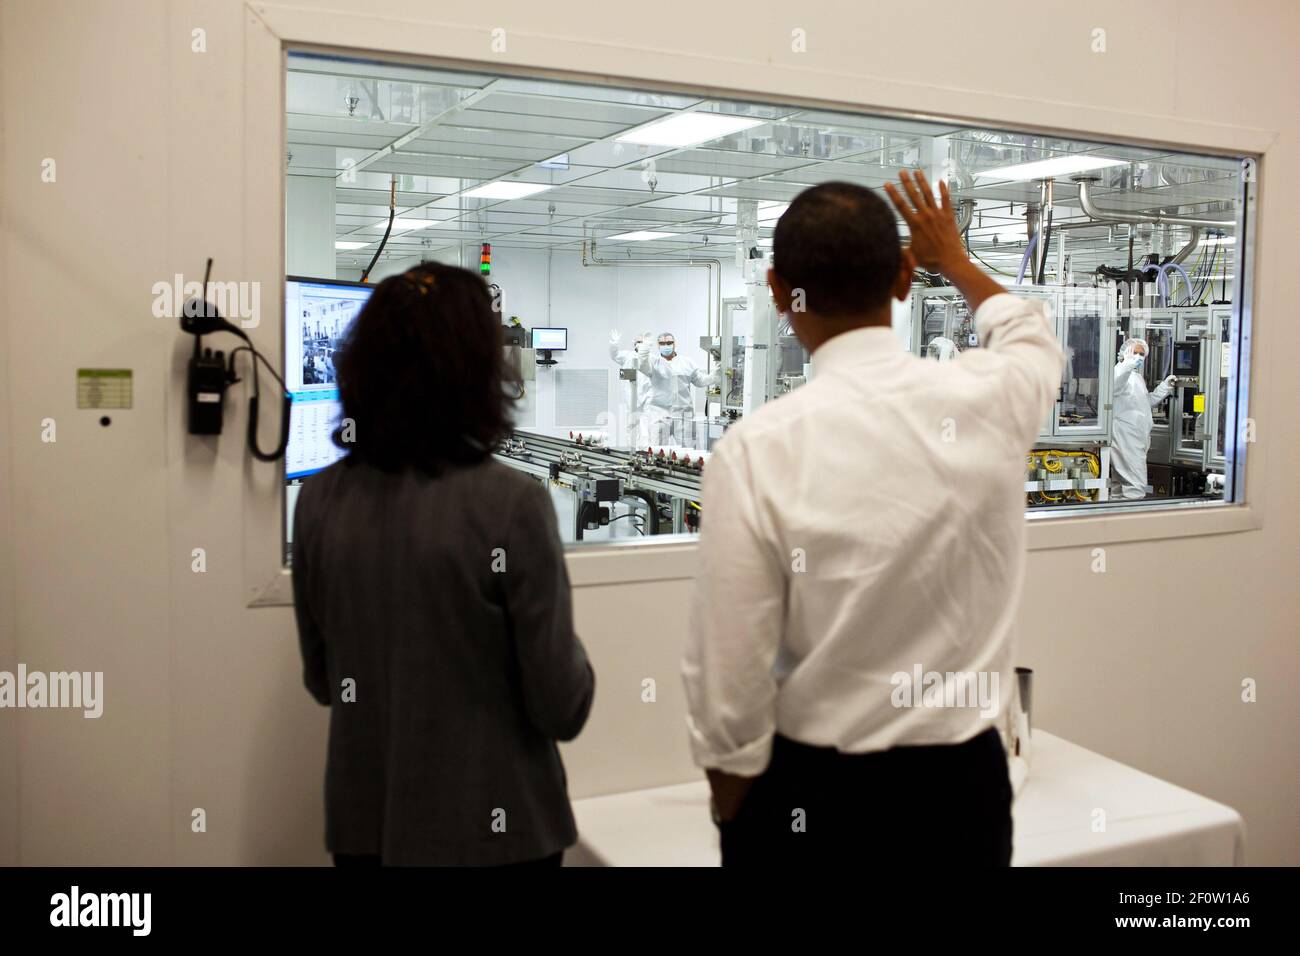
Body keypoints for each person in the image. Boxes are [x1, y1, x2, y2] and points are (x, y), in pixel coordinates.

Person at [682, 172, 1064, 867]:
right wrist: (955, 258)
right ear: (904, 278)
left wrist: (734, 806)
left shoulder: (757, 449)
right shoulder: (993, 398)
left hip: (815, 795)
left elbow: (727, 671)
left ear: (777, 291)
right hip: (962, 795)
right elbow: (1028, 331)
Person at [292, 262, 595, 867]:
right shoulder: (511, 505)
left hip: (365, 829)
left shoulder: (320, 499)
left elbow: (324, 681)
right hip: (496, 837)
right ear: (477, 371)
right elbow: (562, 705)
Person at [1111, 337, 1176, 500]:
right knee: (1135, 485)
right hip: (1126, 435)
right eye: (1135, 352)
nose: (1139, 357)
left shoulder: (1136, 377)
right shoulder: (1119, 372)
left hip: (1138, 436)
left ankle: (1114, 518)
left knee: (1120, 484)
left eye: (1142, 354)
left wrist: (1165, 387)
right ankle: (1132, 521)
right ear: (1124, 353)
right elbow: (1116, 384)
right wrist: (1128, 363)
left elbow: (1145, 402)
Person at [628, 331, 719, 446]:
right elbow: (642, 365)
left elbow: (701, 381)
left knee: (689, 451)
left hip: (684, 415)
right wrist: (644, 349)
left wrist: (717, 373)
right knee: (657, 451)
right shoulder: (654, 362)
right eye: (662, 343)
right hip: (659, 414)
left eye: (669, 343)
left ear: (675, 344)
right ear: (658, 345)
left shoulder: (687, 363)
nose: (666, 346)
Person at [608, 329, 654, 446]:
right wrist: (614, 343)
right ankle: (632, 450)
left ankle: (647, 450)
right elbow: (614, 355)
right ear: (634, 343)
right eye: (638, 342)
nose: (639, 344)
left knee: (648, 426)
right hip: (631, 396)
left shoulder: (652, 358)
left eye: (642, 342)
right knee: (631, 425)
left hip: (648, 396)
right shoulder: (627, 356)